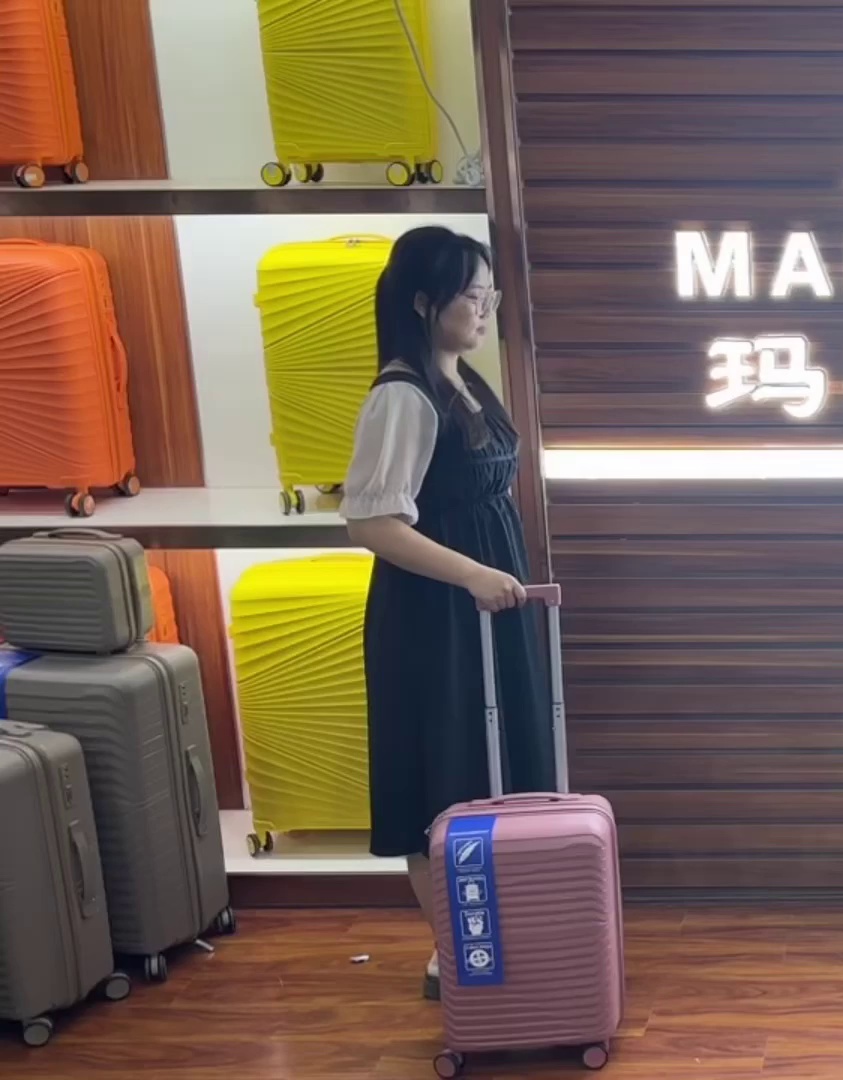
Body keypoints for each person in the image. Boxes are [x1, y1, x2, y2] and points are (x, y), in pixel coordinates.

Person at [340, 226, 554, 999]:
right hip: (435, 621)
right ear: (423, 302)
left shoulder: (462, 379)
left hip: (487, 607)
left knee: (500, 768)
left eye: (489, 293)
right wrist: (472, 575)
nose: (485, 308)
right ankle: (458, 956)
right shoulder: (402, 396)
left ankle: (501, 936)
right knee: (444, 773)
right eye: (472, 295)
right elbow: (372, 524)